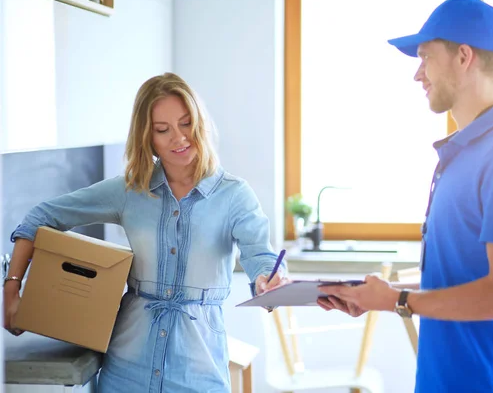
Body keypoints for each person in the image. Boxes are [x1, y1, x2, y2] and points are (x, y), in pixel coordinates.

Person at [318, 0, 493, 392]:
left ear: (463, 57)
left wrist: (399, 300)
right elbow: (460, 282)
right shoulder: (462, 155)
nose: (417, 74)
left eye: (425, 57)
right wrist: (378, 297)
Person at [3, 72, 287, 392]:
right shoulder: (129, 190)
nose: (178, 138)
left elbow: (261, 255)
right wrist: (12, 290)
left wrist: (268, 280)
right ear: (146, 137)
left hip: (198, 373)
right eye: (162, 130)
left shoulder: (234, 195)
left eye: (185, 123)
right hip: (125, 369)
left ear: (200, 123)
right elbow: (39, 218)